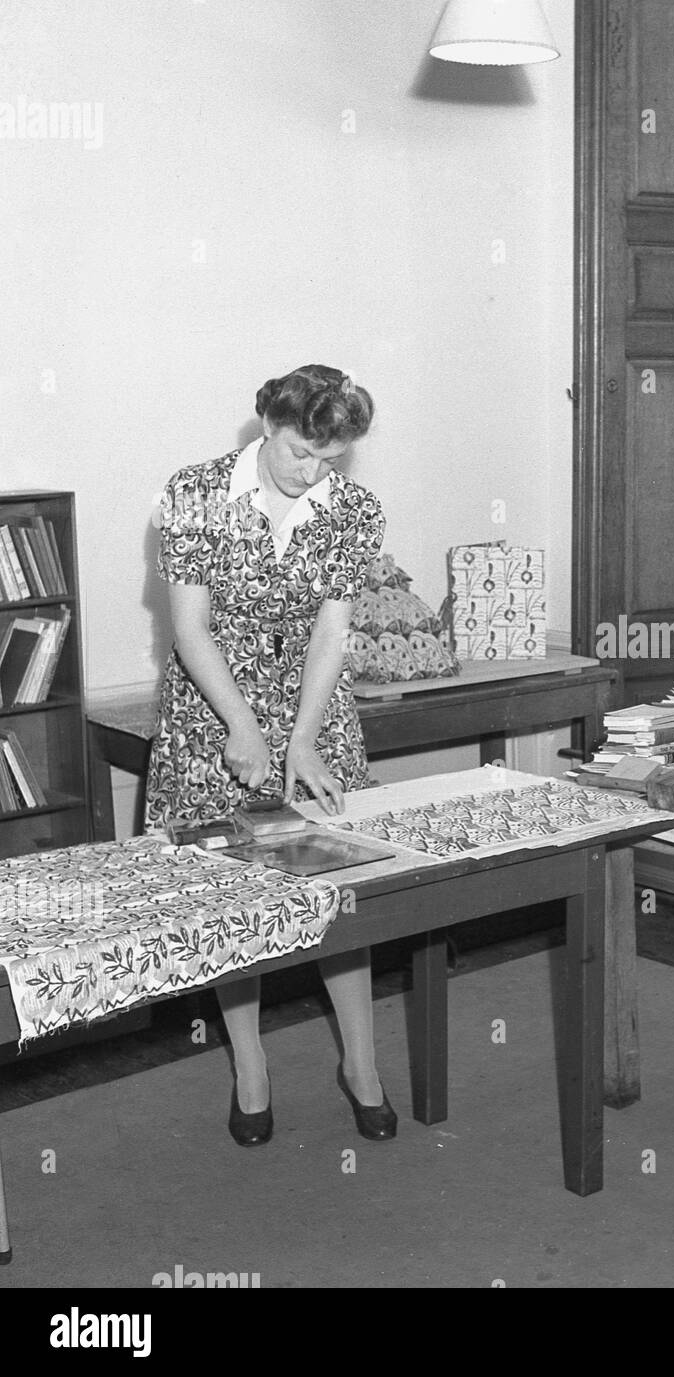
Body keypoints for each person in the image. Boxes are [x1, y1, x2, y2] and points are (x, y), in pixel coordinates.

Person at [146, 364, 396, 1146]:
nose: (312, 470)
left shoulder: (354, 510)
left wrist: (300, 738)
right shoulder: (193, 494)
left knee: (340, 893)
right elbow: (190, 629)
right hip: (212, 704)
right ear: (267, 422)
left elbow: (332, 633)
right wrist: (245, 728)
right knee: (234, 902)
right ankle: (249, 1066)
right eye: (299, 451)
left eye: (330, 457)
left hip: (314, 708)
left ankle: (361, 1062)